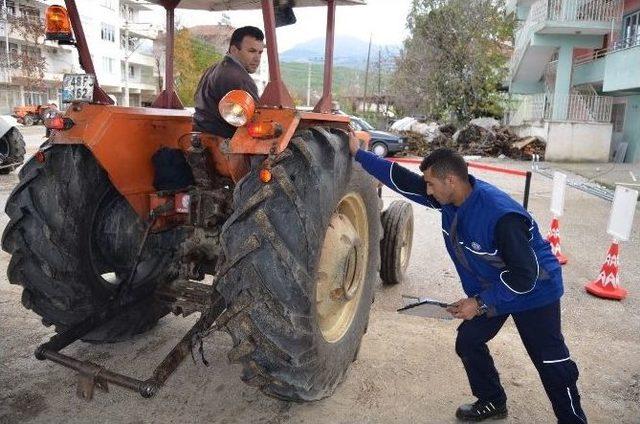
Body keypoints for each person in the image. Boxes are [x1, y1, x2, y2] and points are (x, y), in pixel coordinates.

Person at [348, 137, 587, 424]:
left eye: (432, 185)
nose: (427, 191)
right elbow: (403, 180)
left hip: (535, 290)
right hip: (494, 286)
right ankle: (492, 400)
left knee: (551, 364)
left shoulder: (500, 216)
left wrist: (480, 302)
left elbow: (525, 276)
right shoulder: (449, 199)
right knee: (469, 341)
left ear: (450, 180)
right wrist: (359, 155)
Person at [193, 26, 264, 138]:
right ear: (234, 50)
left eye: (260, 52)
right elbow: (258, 119)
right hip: (224, 145)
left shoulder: (213, 69)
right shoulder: (238, 78)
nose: (257, 58)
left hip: (200, 138)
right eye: (252, 51)